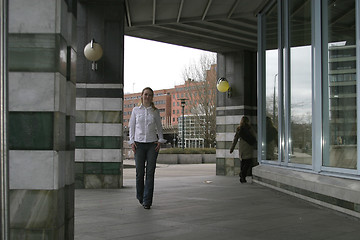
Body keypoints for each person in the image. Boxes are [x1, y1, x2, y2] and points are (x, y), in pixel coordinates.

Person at [128, 87, 167, 209]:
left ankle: (147, 201)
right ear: (142, 96)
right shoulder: (135, 110)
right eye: (145, 94)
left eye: (150, 95)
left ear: (152, 97)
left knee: (150, 173)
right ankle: (140, 196)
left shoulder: (155, 111)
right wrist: (132, 142)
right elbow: (131, 127)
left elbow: (159, 127)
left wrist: (160, 141)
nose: (147, 97)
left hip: (152, 145)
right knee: (140, 173)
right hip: (139, 145)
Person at [230, 116, 257, 183]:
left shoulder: (239, 129)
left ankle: (242, 177)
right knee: (248, 162)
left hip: (242, 147)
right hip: (248, 147)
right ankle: (242, 175)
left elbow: (235, 139)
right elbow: (255, 136)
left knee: (243, 162)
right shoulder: (250, 128)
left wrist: (232, 148)